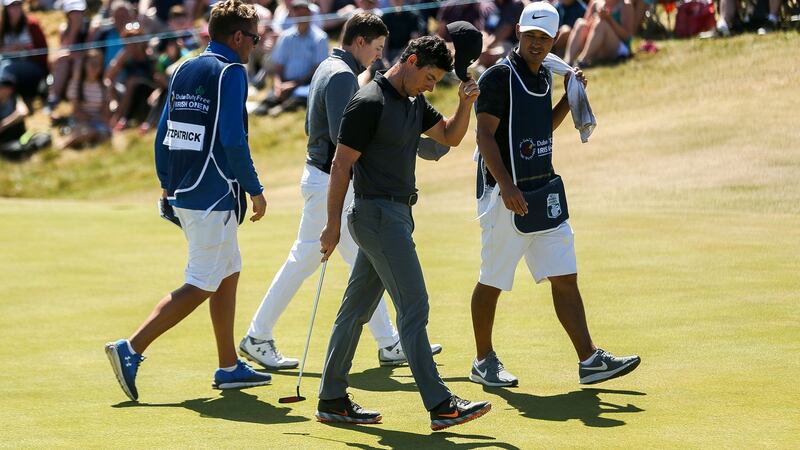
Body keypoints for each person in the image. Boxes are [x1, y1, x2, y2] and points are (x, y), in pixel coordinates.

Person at [241, 13, 442, 370]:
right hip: (329, 181)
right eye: (376, 48)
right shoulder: (340, 75)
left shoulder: (330, 67)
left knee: (364, 259)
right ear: (360, 41)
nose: (378, 57)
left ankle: (388, 341)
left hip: (323, 177)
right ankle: (258, 335)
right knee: (308, 257)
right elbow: (343, 139)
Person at [316, 35, 491, 431]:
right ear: (410, 60)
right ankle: (441, 403)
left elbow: (449, 135)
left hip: (395, 215)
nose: (431, 86)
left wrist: (465, 104)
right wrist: (330, 225)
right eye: (429, 77)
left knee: (355, 310)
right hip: (377, 216)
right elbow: (341, 166)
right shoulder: (368, 102)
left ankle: (331, 399)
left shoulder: (414, 101)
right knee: (414, 307)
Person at [104, 0, 271, 402]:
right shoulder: (231, 72)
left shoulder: (185, 67)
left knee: (228, 269)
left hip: (186, 189)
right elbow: (233, 138)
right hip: (213, 193)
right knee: (201, 281)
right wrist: (255, 188)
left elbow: (165, 132)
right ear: (236, 37)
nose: (255, 44)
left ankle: (229, 365)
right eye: (253, 37)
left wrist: (166, 184)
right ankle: (131, 348)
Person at [469, 2, 640, 388]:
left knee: (565, 277)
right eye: (530, 36)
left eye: (544, 38)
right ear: (518, 31)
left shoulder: (546, 76)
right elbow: (483, 135)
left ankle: (589, 360)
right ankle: (483, 360)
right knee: (492, 281)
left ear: (555, 39)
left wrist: (568, 96)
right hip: (504, 195)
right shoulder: (498, 78)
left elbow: (541, 128)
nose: (536, 43)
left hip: (543, 189)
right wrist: (508, 186)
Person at [253, 0, 328, 116]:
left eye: (303, 13)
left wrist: (294, 85)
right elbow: (279, 65)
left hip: (306, 84)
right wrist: (278, 85)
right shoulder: (286, 37)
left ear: (310, 14)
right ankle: (270, 106)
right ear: (293, 14)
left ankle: (282, 107)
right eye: (297, 13)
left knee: (302, 96)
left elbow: (317, 71)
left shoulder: (320, 38)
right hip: (285, 82)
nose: (300, 16)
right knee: (268, 102)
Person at [0, 0, 49, 106]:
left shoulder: (32, 25)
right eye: (12, 6)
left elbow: (43, 52)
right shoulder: (2, 26)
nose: (16, 8)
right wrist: (7, 50)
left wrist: (25, 49)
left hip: (32, 67)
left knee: (6, 68)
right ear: (6, 9)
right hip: (8, 66)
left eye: (18, 4)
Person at [60, 49, 111, 149]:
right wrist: (91, 120)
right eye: (92, 64)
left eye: (98, 64)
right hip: (81, 122)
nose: (94, 68)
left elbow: (105, 111)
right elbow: (76, 111)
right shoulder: (76, 85)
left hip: (98, 122)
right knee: (89, 132)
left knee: (104, 136)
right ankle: (68, 143)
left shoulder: (104, 86)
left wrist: (101, 120)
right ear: (85, 65)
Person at [564, 0, 635, 67]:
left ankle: (582, 61)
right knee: (580, 23)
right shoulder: (595, 3)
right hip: (598, 47)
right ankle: (567, 62)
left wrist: (609, 19)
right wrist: (594, 19)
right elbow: (586, 27)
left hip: (618, 49)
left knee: (602, 24)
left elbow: (626, 36)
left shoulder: (625, 5)